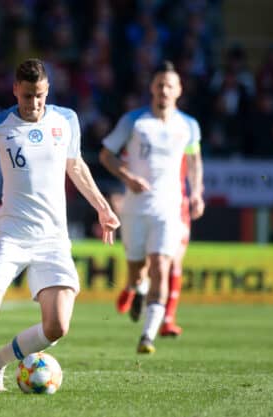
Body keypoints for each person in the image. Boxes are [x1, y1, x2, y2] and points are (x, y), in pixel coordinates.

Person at [0, 59, 120, 392]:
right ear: (16, 90)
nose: (34, 104)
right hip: (12, 234)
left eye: (40, 96)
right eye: (27, 96)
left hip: (53, 238)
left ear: (47, 90)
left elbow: (76, 167)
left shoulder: (67, 120)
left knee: (57, 326)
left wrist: (103, 209)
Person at [99, 60, 204, 354]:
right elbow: (106, 155)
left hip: (169, 208)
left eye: (170, 85)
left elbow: (194, 162)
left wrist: (196, 193)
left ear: (179, 90)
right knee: (137, 271)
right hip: (135, 207)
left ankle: (147, 335)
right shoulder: (134, 121)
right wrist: (126, 176)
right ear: (152, 89)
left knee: (161, 265)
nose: (164, 91)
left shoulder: (188, 126)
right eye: (159, 85)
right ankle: (137, 290)